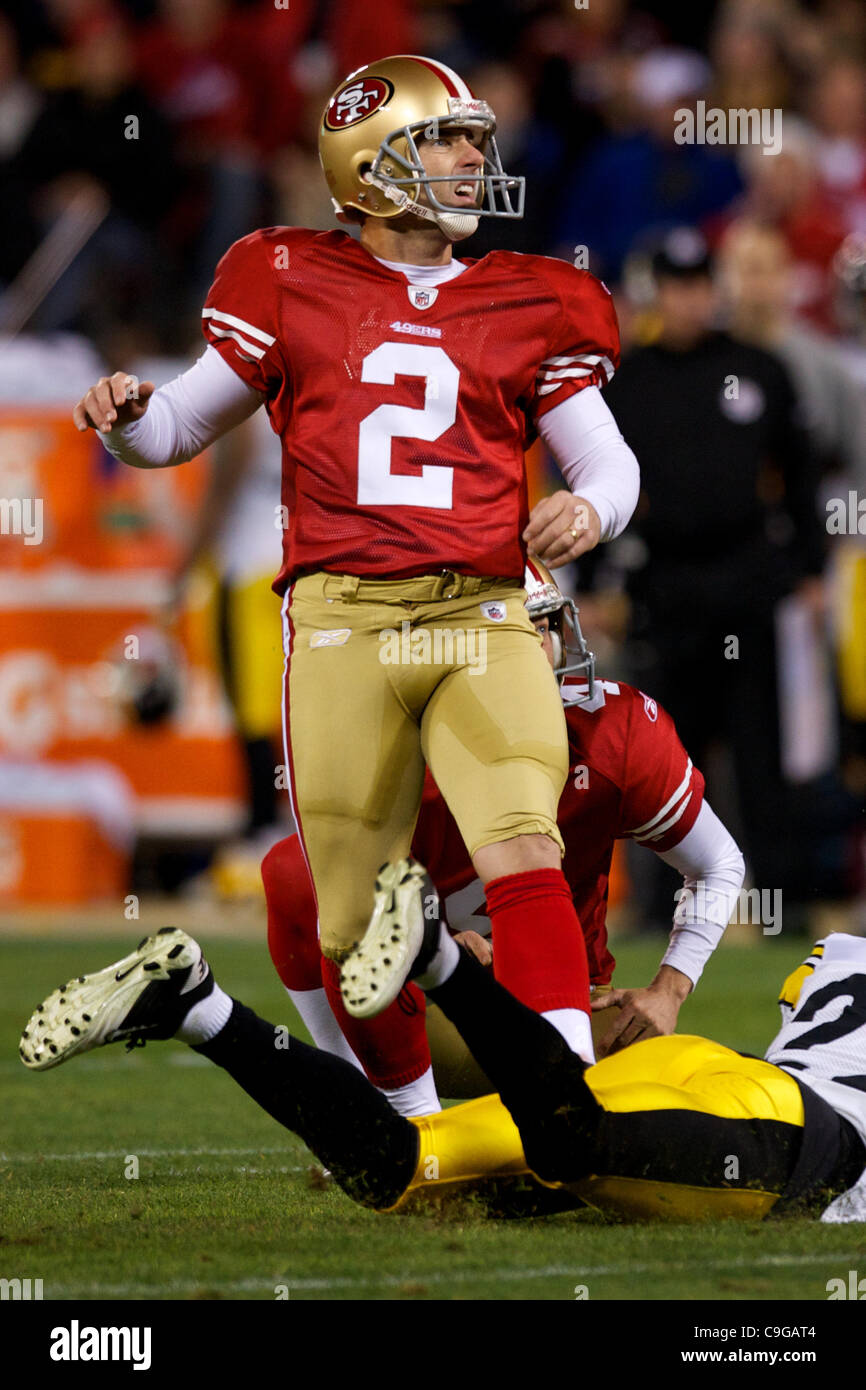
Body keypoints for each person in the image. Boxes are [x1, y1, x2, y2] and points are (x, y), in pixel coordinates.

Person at [71, 54, 640, 1068]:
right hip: (341, 623)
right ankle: (407, 1126)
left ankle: (568, 1098)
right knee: (349, 910)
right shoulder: (284, 275)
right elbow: (174, 434)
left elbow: (606, 460)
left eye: (476, 138)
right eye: (447, 138)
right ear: (372, 164)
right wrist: (126, 422)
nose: (473, 156)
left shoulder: (527, 297)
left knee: (523, 849)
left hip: (482, 611)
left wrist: (587, 508)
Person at [264, 559, 745, 1115]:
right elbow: (343, 907)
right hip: (426, 1008)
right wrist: (434, 945)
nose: (535, 648)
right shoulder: (391, 743)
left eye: (542, 627)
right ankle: (374, 1113)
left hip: (565, 1004)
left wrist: (669, 990)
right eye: (515, 630)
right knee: (296, 872)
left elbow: (718, 863)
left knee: (694, 1085)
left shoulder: (616, 733)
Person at [18, 919, 866, 1223]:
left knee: (401, 1169)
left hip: (716, 1070)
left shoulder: (848, 952)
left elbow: (810, 983)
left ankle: (194, 1006)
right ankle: (441, 962)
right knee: (579, 1145)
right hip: (800, 1140)